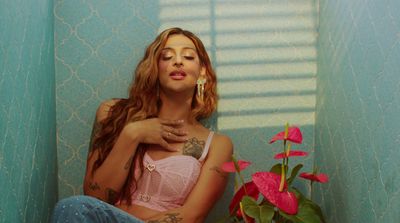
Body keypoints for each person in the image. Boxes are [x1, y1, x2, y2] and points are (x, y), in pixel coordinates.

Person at [52, 27, 233, 223]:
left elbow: (193, 215)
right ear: (155, 68)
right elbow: (95, 198)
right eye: (166, 57)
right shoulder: (112, 113)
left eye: (188, 57)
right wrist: (133, 133)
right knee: (71, 206)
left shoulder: (217, 144)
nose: (178, 61)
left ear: (202, 73)